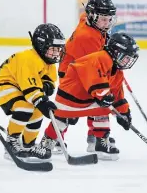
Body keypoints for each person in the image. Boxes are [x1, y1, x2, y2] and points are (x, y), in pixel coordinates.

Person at [41, 32, 139, 160]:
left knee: (104, 109)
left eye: (129, 59)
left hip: (87, 99)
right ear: (115, 52)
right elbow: (94, 79)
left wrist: (124, 113)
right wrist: (103, 95)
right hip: (69, 98)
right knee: (61, 120)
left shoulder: (117, 71)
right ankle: (45, 144)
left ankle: (101, 143)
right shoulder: (99, 58)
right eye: (125, 57)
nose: (127, 61)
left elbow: (117, 94)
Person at [43, 0, 119, 154]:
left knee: (98, 102)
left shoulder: (90, 22)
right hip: (73, 75)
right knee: (71, 109)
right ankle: (56, 139)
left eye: (109, 19)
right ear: (93, 16)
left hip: (80, 69)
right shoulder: (87, 36)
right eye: (103, 19)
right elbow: (95, 67)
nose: (107, 23)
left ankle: (96, 137)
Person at [0, 23, 65, 162]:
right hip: (4, 85)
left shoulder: (48, 62)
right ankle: (11, 142)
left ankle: (28, 144)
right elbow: (30, 88)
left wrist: (46, 87)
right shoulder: (28, 59)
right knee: (25, 107)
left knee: (37, 111)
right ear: (41, 46)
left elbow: (48, 81)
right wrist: (41, 100)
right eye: (53, 49)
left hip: (21, 87)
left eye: (58, 49)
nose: (56, 53)